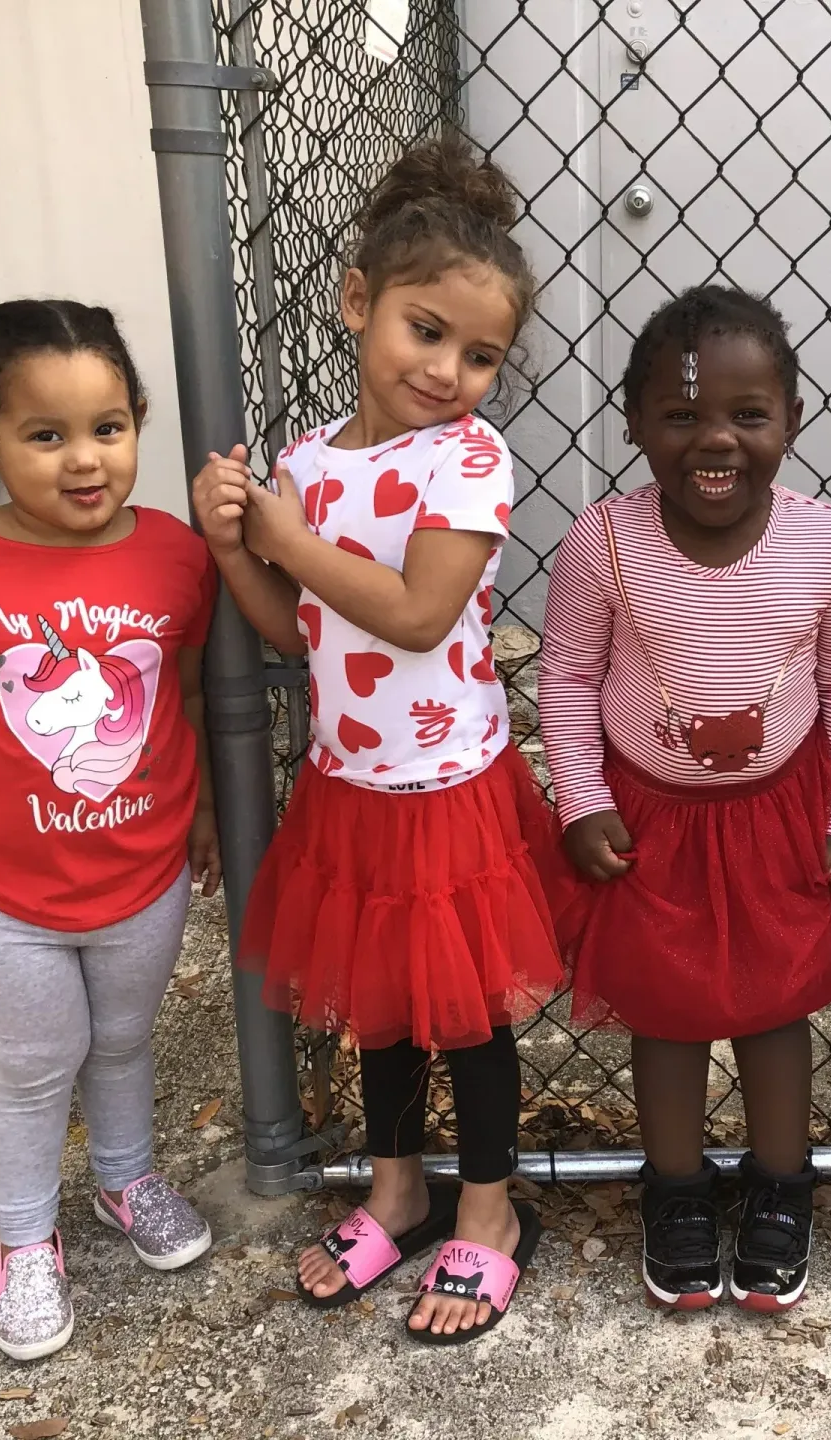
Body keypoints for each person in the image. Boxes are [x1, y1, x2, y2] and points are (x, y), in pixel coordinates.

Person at [193, 133, 569, 1344]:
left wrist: (286, 538)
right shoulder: (308, 463)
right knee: (385, 1008)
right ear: (361, 306)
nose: (450, 368)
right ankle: (398, 1189)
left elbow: (413, 616)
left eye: (481, 354)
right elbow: (294, 630)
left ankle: (491, 1211)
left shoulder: (468, 462)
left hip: (445, 783)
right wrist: (229, 545)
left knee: (467, 1013)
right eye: (425, 331)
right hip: (352, 777)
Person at [0, 300, 219, 1360]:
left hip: (142, 875)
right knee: (31, 1063)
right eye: (45, 434)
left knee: (119, 1042)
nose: (85, 461)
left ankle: (124, 1180)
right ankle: (24, 1241)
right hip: (2, 892)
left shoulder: (175, 558)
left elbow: (188, 700)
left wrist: (199, 810)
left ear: (140, 422)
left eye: (109, 429)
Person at [538, 285, 831, 1312]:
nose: (714, 441)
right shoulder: (602, 541)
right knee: (669, 1006)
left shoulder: (828, 544)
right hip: (648, 822)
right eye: (681, 416)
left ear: (792, 419)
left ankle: (783, 1185)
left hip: (781, 814)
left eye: (748, 414)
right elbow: (564, 678)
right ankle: (678, 1190)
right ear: (637, 423)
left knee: (777, 1003)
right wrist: (580, 798)